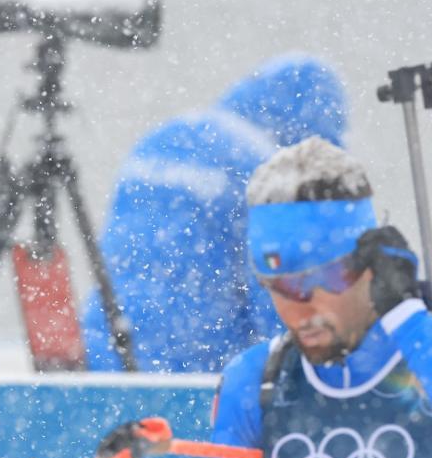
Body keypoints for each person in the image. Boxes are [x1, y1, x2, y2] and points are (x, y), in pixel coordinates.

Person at [209, 137, 432, 458]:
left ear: (371, 267)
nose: (299, 310)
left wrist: (411, 316)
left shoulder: (421, 348)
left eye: (321, 281)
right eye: (281, 287)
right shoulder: (257, 382)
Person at [81, 55, 349, 372]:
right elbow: (278, 294)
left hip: (106, 345)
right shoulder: (264, 168)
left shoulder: (165, 137)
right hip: (196, 365)